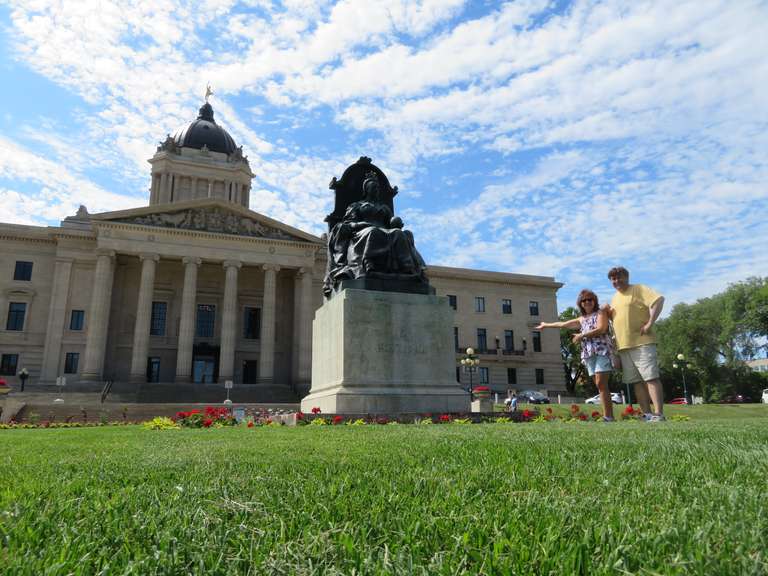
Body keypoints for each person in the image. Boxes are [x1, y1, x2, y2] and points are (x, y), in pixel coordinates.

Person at [537, 289, 615, 421]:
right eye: (584, 300)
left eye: (590, 299)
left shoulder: (600, 312)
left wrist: (581, 335)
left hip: (602, 350)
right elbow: (562, 324)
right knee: (599, 384)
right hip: (589, 354)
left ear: (594, 300)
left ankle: (608, 416)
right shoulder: (581, 319)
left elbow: (601, 328)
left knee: (602, 383)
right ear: (581, 303)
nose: (587, 302)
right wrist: (546, 325)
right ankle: (607, 415)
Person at [602, 266, 665, 422]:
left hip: (642, 342)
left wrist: (650, 322)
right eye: (613, 279)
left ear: (627, 277)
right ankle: (647, 414)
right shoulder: (615, 298)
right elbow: (617, 320)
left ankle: (658, 414)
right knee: (636, 382)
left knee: (650, 377)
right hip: (624, 346)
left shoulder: (638, 289)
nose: (616, 281)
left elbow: (658, 300)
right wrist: (607, 312)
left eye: (619, 277)